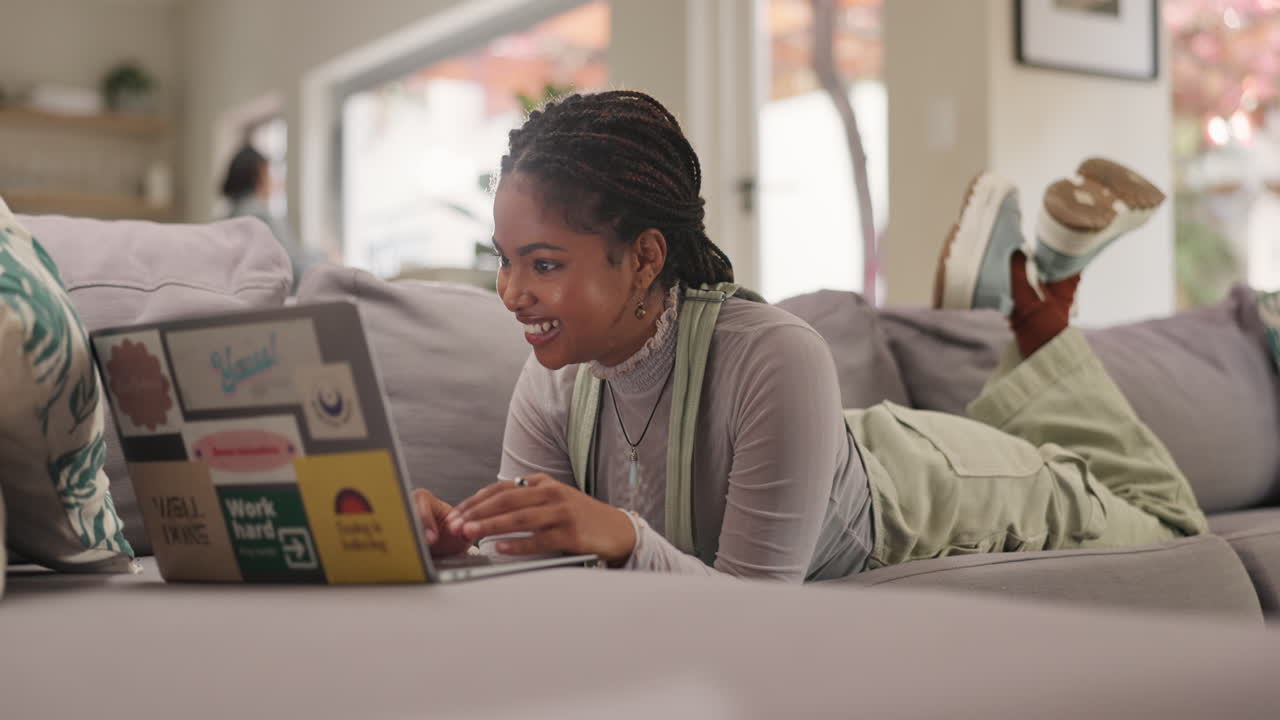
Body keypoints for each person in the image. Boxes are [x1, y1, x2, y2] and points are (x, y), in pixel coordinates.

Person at [411, 90, 1275, 582]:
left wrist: (626, 538)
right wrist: (460, 544)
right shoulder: (553, 382)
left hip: (947, 486)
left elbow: (764, 613)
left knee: (1174, 523)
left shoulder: (772, 354)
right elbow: (548, 576)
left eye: (545, 264)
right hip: (848, 451)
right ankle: (1009, 307)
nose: (513, 293)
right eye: (506, 261)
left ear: (643, 259)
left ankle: (1036, 312)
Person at [220, 144, 310, 292]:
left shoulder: (223, 221)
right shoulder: (261, 218)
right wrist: (324, 258)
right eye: (269, 174)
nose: (273, 181)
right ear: (259, 176)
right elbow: (293, 266)